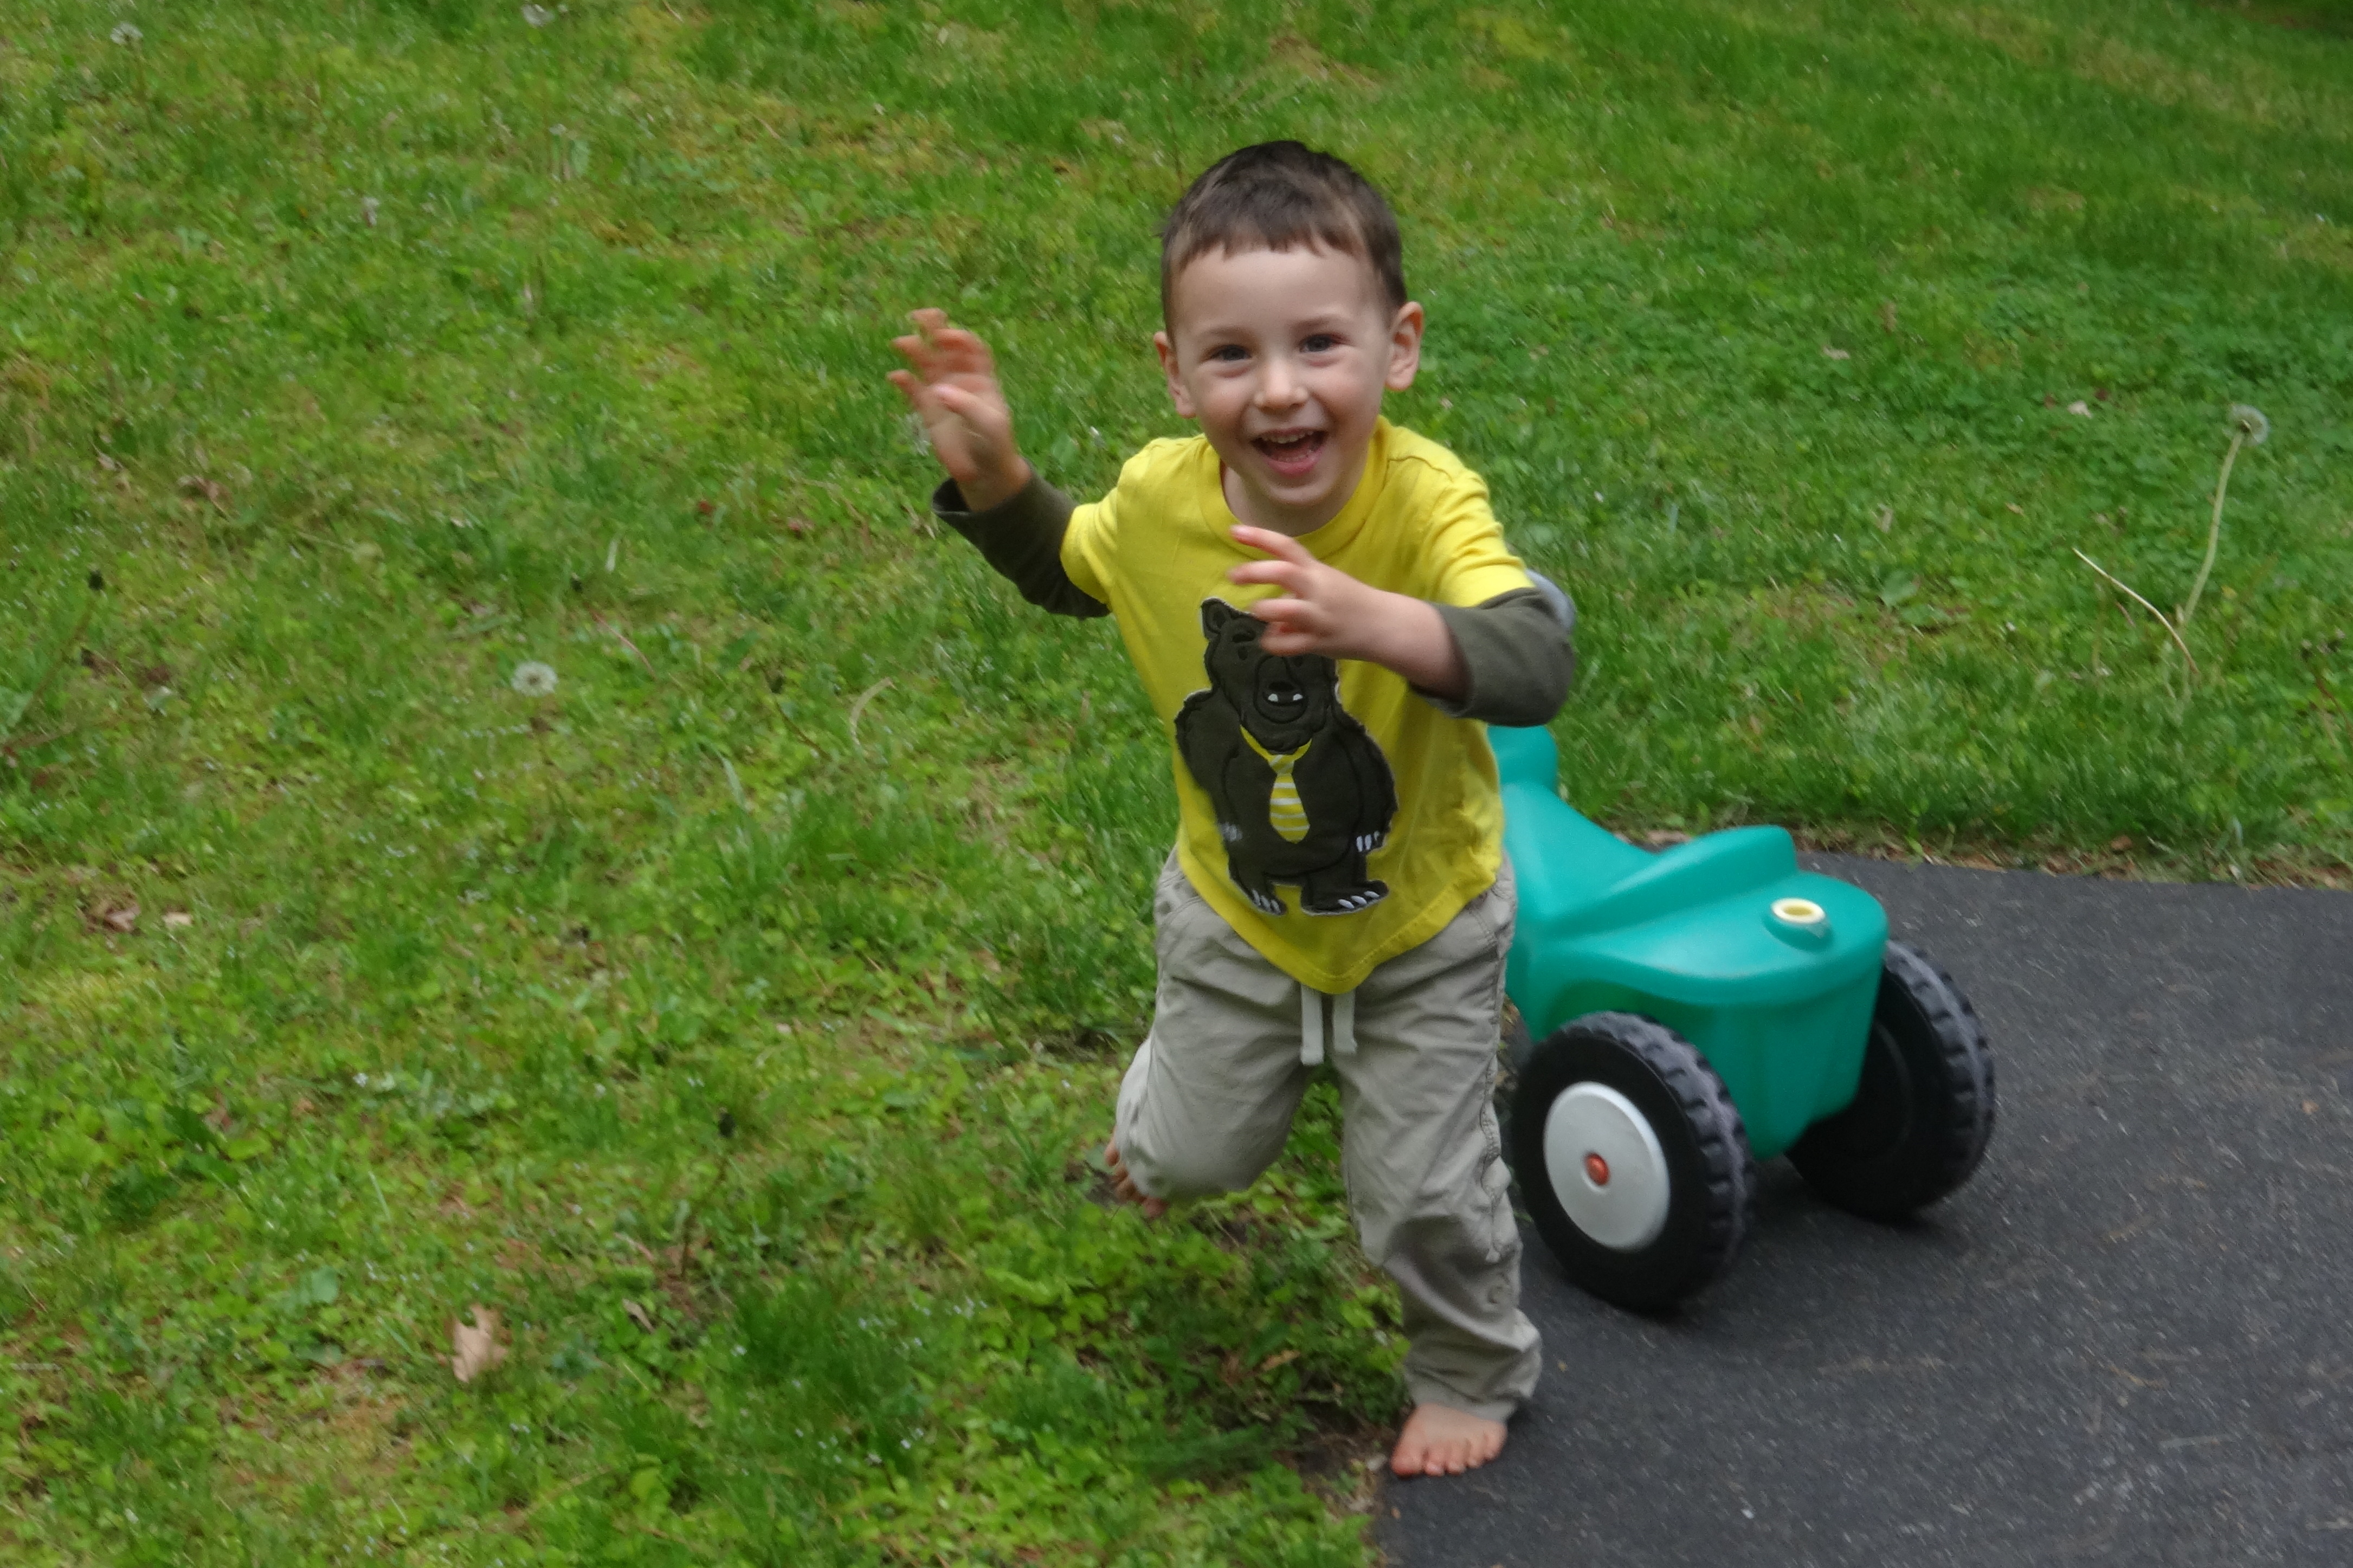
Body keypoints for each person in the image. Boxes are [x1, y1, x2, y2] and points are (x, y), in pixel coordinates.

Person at [888, 140, 1573, 1478]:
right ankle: (1158, 1107)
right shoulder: (1159, 499)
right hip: (1233, 913)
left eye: (1318, 343)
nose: (1277, 390)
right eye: (1229, 355)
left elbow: (1533, 658)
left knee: (1421, 1193)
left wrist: (1374, 620)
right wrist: (995, 482)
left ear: (1397, 347)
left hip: (1417, 920)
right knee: (1189, 1156)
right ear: (1173, 371)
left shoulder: (1426, 502)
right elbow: (1072, 570)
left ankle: (1467, 1367)